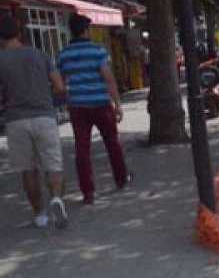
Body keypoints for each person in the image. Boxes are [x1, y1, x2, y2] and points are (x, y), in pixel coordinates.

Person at [0, 15, 69, 228]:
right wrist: (50, 100)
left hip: (15, 121)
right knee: (53, 165)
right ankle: (57, 198)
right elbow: (59, 87)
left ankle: (39, 214)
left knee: (28, 169)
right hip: (45, 117)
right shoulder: (40, 55)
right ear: (20, 33)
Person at [57, 14, 131, 205]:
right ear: (85, 30)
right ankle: (121, 178)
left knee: (82, 149)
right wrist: (117, 104)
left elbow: (62, 83)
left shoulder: (63, 55)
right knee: (112, 143)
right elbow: (108, 78)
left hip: (78, 107)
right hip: (100, 104)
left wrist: (69, 100)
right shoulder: (98, 51)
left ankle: (88, 192)